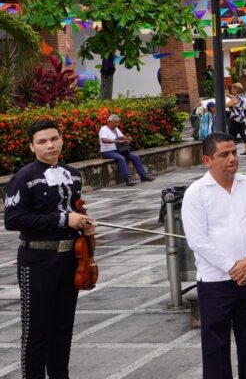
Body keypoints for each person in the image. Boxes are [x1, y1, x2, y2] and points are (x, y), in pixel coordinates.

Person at [4, 120, 93, 379]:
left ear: (62, 140)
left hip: (70, 259)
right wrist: (63, 219)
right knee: (35, 331)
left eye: (54, 139)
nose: (50, 145)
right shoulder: (24, 177)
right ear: (32, 146)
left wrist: (83, 224)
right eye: (42, 141)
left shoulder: (73, 174)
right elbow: (12, 220)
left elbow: (74, 209)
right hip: (37, 261)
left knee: (63, 328)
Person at [182, 131, 246, 379]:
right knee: (216, 348)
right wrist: (233, 267)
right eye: (224, 154)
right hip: (216, 282)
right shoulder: (197, 193)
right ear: (207, 160)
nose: (232, 158)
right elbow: (198, 240)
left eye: (234, 152)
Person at [99, 113, 152, 186]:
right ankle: (127, 179)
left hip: (118, 150)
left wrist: (127, 138)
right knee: (121, 158)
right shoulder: (103, 129)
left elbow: (122, 137)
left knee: (135, 157)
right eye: (115, 122)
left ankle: (143, 176)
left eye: (118, 122)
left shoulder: (116, 129)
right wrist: (117, 141)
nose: (117, 124)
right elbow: (104, 140)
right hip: (107, 151)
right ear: (109, 122)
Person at [225, 83, 246, 156]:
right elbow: (235, 99)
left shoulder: (234, 99)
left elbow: (226, 105)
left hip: (235, 119)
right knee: (243, 135)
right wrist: (228, 95)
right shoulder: (241, 98)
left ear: (236, 90)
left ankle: (232, 151)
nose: (231, 90)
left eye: (233, 88)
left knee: (231, 136)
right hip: (241, 119)